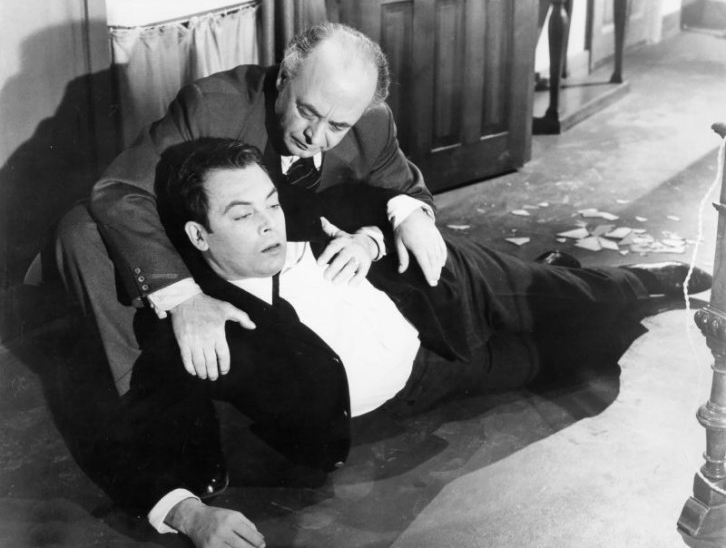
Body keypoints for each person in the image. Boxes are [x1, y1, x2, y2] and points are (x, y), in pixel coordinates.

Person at [85, 139, 711, 548]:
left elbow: (380, 197)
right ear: (199, 235)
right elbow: (127, 438)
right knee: (580, 350)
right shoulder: (206, 324)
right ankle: (589, 291)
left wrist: (371, 238)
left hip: (437, 288)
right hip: (429, 378)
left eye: (270, 203)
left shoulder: (301, 217)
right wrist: (192, 515)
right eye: (243, 215)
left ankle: (655, 281)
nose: (270, 223)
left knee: (574, 297)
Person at [55, 22, 446, 395]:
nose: (315, 136)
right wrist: (182, 298)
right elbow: (121, 189)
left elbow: (407, 190)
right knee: (80, 230)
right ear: (283, 79)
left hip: (298, 269)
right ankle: (141, 399)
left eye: (337, 127)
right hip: (200, 244)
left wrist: (409, 216)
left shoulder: (371, 122)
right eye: (307, 112)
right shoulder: (213, 106)